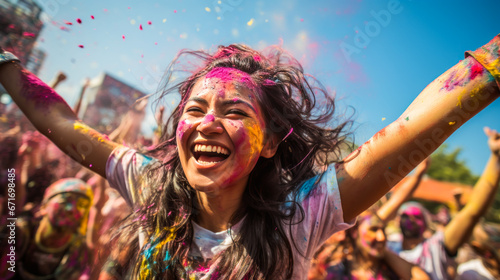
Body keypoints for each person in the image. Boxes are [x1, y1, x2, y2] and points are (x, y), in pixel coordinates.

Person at [0, 32, 499, 279]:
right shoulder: (150, 184)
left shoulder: (302, 216)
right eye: (195, 109)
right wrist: (5, 62)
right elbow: (64, 126)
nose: (208, 122)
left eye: (234, 111)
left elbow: (413, 129)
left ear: (270, 142)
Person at [386, 127, 500, 280]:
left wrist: (495, 157)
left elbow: (472, 212)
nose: (410, 219)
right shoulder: (386, 247)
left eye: (416, 216)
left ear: (426, 223)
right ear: (397, 220)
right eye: (405, 215)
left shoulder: (436, 247)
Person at [0, 178, 93, 279]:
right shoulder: (18, 231)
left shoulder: (79, 250)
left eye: (82, 205)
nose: (72, 209)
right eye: (66, 201)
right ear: (44, 206)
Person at [314, 212, 430, 280]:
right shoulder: (337, 270)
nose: (382, 237)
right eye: (373, 230)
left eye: (383, 230)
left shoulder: (389, 269)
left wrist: (383, 250)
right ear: (355, 233)